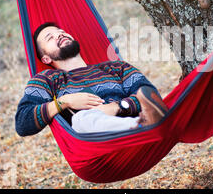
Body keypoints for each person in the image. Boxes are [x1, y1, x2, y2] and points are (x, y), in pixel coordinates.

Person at [15, 22, 168, 137]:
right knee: (82, 119)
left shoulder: (116, 67)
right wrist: (64, 102)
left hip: (137, 123)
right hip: (96, 141)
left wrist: (118, 106)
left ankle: (140, 124)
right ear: (46, 58)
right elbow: (23, 122)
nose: (60, 35)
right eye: (50, 38)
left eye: (61, 32)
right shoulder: (47, 79)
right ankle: (139, 125)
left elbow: (150, 95)